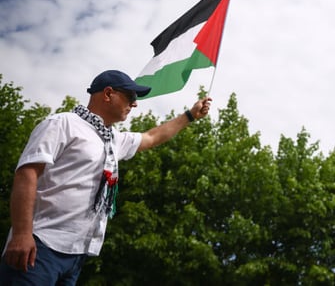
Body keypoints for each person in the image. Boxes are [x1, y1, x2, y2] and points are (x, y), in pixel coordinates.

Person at [0, 69, 212, 285]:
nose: (135, 104)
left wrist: (190, 115)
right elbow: (27, 173)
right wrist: (21, 234)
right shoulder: (63, 123)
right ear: (108, 94)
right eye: (131, 96)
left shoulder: (112, 140)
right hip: (39, 246)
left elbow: (152, 137)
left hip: (76, 255)